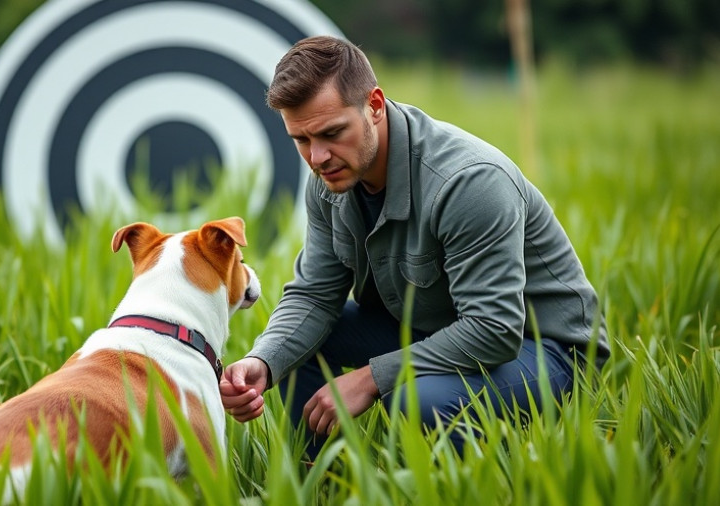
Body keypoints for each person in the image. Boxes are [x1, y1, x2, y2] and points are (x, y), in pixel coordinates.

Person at [219, 35, 610, 457]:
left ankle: (478, 485)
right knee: (296, 346)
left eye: (332, 133)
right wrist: (262, 361)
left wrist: (371, 377)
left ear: (374, 105)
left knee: (414, 399)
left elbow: (494, 329)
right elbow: (315, 295)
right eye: (301, 140)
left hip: (543, 351)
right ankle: (320, 485)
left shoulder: (469, 182)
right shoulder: (330, 180)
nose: (317, 157)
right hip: (434, 329)